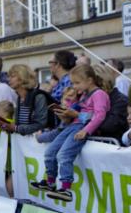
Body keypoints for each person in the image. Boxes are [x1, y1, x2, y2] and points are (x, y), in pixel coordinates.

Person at [31, 65, 110, 202]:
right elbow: (80, 112)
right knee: (50, 152)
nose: (75, 86)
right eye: (73, 83)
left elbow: (99, 116)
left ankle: (66, 188)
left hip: (80, 128)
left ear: (90, 80)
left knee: (64, 154)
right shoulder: (84, 95)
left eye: (77, 83)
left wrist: (86, 130)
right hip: (72, 126)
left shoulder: (99, 95)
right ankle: (50, 182)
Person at [0, 64, 51, 137]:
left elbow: (40, 125)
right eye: (9, 76)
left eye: (12, 76)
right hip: (25, 145)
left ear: (22, 78)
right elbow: (19, 126)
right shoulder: (19, 98)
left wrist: (15, 128)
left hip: (38, 145)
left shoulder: (38, 97)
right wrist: (7, 127)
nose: (9, 79)